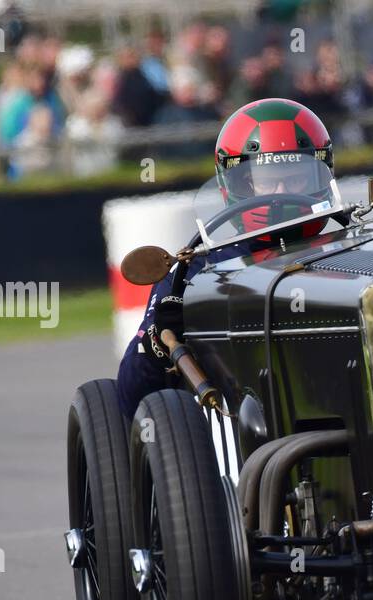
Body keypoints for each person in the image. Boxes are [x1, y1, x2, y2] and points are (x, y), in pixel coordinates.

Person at [115, 98, 339, 419]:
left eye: (296, 178)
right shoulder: (194, 272)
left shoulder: (352, 252)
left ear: (322, 176)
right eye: (266, 180)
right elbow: (131, 400)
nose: (280, 191)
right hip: (233, 434)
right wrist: (158, 342)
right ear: (235, 185)